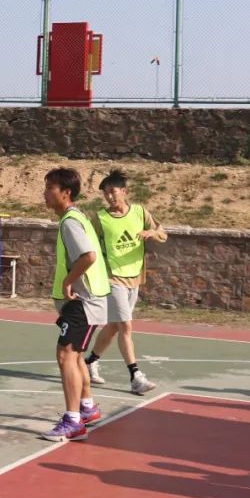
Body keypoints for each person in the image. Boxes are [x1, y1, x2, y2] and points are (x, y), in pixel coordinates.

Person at [41, 167, 110, 442]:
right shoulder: (77, 217)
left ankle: (73, 422)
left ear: (66, 193)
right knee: (77, 355)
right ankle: (87, 408)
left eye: (50, 188)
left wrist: (69, 281)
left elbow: (89, 256)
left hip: (83, 301)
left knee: (65, 355)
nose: (45, 193)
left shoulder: (70, 222)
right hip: (88, 300)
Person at [84, 169, 167, 395]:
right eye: (105, 193)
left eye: (113, 191)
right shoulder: (100, 218)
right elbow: (88, 245)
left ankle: (90, 361)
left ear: (124, 191)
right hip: (112, 278)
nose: (109, 196)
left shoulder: (140, 212)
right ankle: (135, 376)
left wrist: (151, 233)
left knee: (113, 327)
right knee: (126, 326)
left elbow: (162, 232)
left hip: (135, 277)